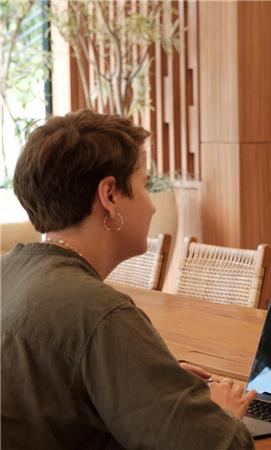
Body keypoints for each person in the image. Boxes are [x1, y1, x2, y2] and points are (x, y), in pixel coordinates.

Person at [2, 111, 256, 449]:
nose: (152, 207)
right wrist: (221, 412)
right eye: (145, 184)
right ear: (109, 195)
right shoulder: (100, 313)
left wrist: (149, 377)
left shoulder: (7, 273)